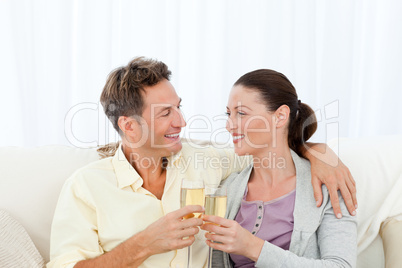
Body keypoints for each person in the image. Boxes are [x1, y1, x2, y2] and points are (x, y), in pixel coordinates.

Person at [47, 57, 357, 268]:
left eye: (178, 107)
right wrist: (143, 244)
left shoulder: (209, 163)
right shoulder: (87, 186)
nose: (181, 121)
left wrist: (319, 152)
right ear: (129, 126)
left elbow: (266, 150)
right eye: (165, 113)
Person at [201, 69, 357, 267]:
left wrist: (253, 247)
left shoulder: (327, 183)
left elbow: (342, 266)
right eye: (228, 113)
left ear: (280, 116)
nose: (228, 125)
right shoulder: (227, 189)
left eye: (241, 113)